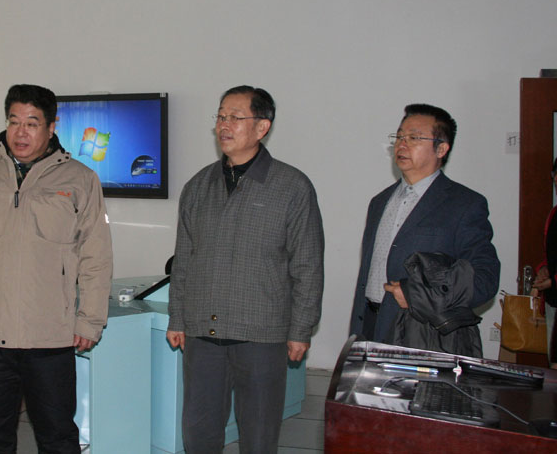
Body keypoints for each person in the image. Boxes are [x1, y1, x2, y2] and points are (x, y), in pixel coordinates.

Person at [0, 84, 113, 453]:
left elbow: (96, 257)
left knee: (57, 436)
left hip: (49, 337)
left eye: (32, 123)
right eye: (14, 121)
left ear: (51, 127)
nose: (21, 132)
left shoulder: (79, 180)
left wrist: (90, 320)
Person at [166, 85, 324, 454]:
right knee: (199, 433)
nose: (224, 125)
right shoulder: (198, 186)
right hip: (203, 333)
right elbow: (184, 258)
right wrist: (177, 317)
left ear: (262, 127)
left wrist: (301, 329)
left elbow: (307, 264)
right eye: (220, 116)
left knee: (258, 435)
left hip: (261, 334)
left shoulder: (292, 186)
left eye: (235, 117)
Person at [349, 104, 500, 345]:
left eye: (414, 138)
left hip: (420, 334)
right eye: (399, 137)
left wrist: (417, 295)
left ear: (441, 148)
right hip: (370, 326)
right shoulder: (380, 202)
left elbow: (484, 280)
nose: (402, 144)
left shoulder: (464, 204)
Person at [532, 156, 557, 363]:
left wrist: (553, 280)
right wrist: (544, 269)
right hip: (552, 300)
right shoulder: (554, 214)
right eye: (555, 176)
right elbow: (551, 254)